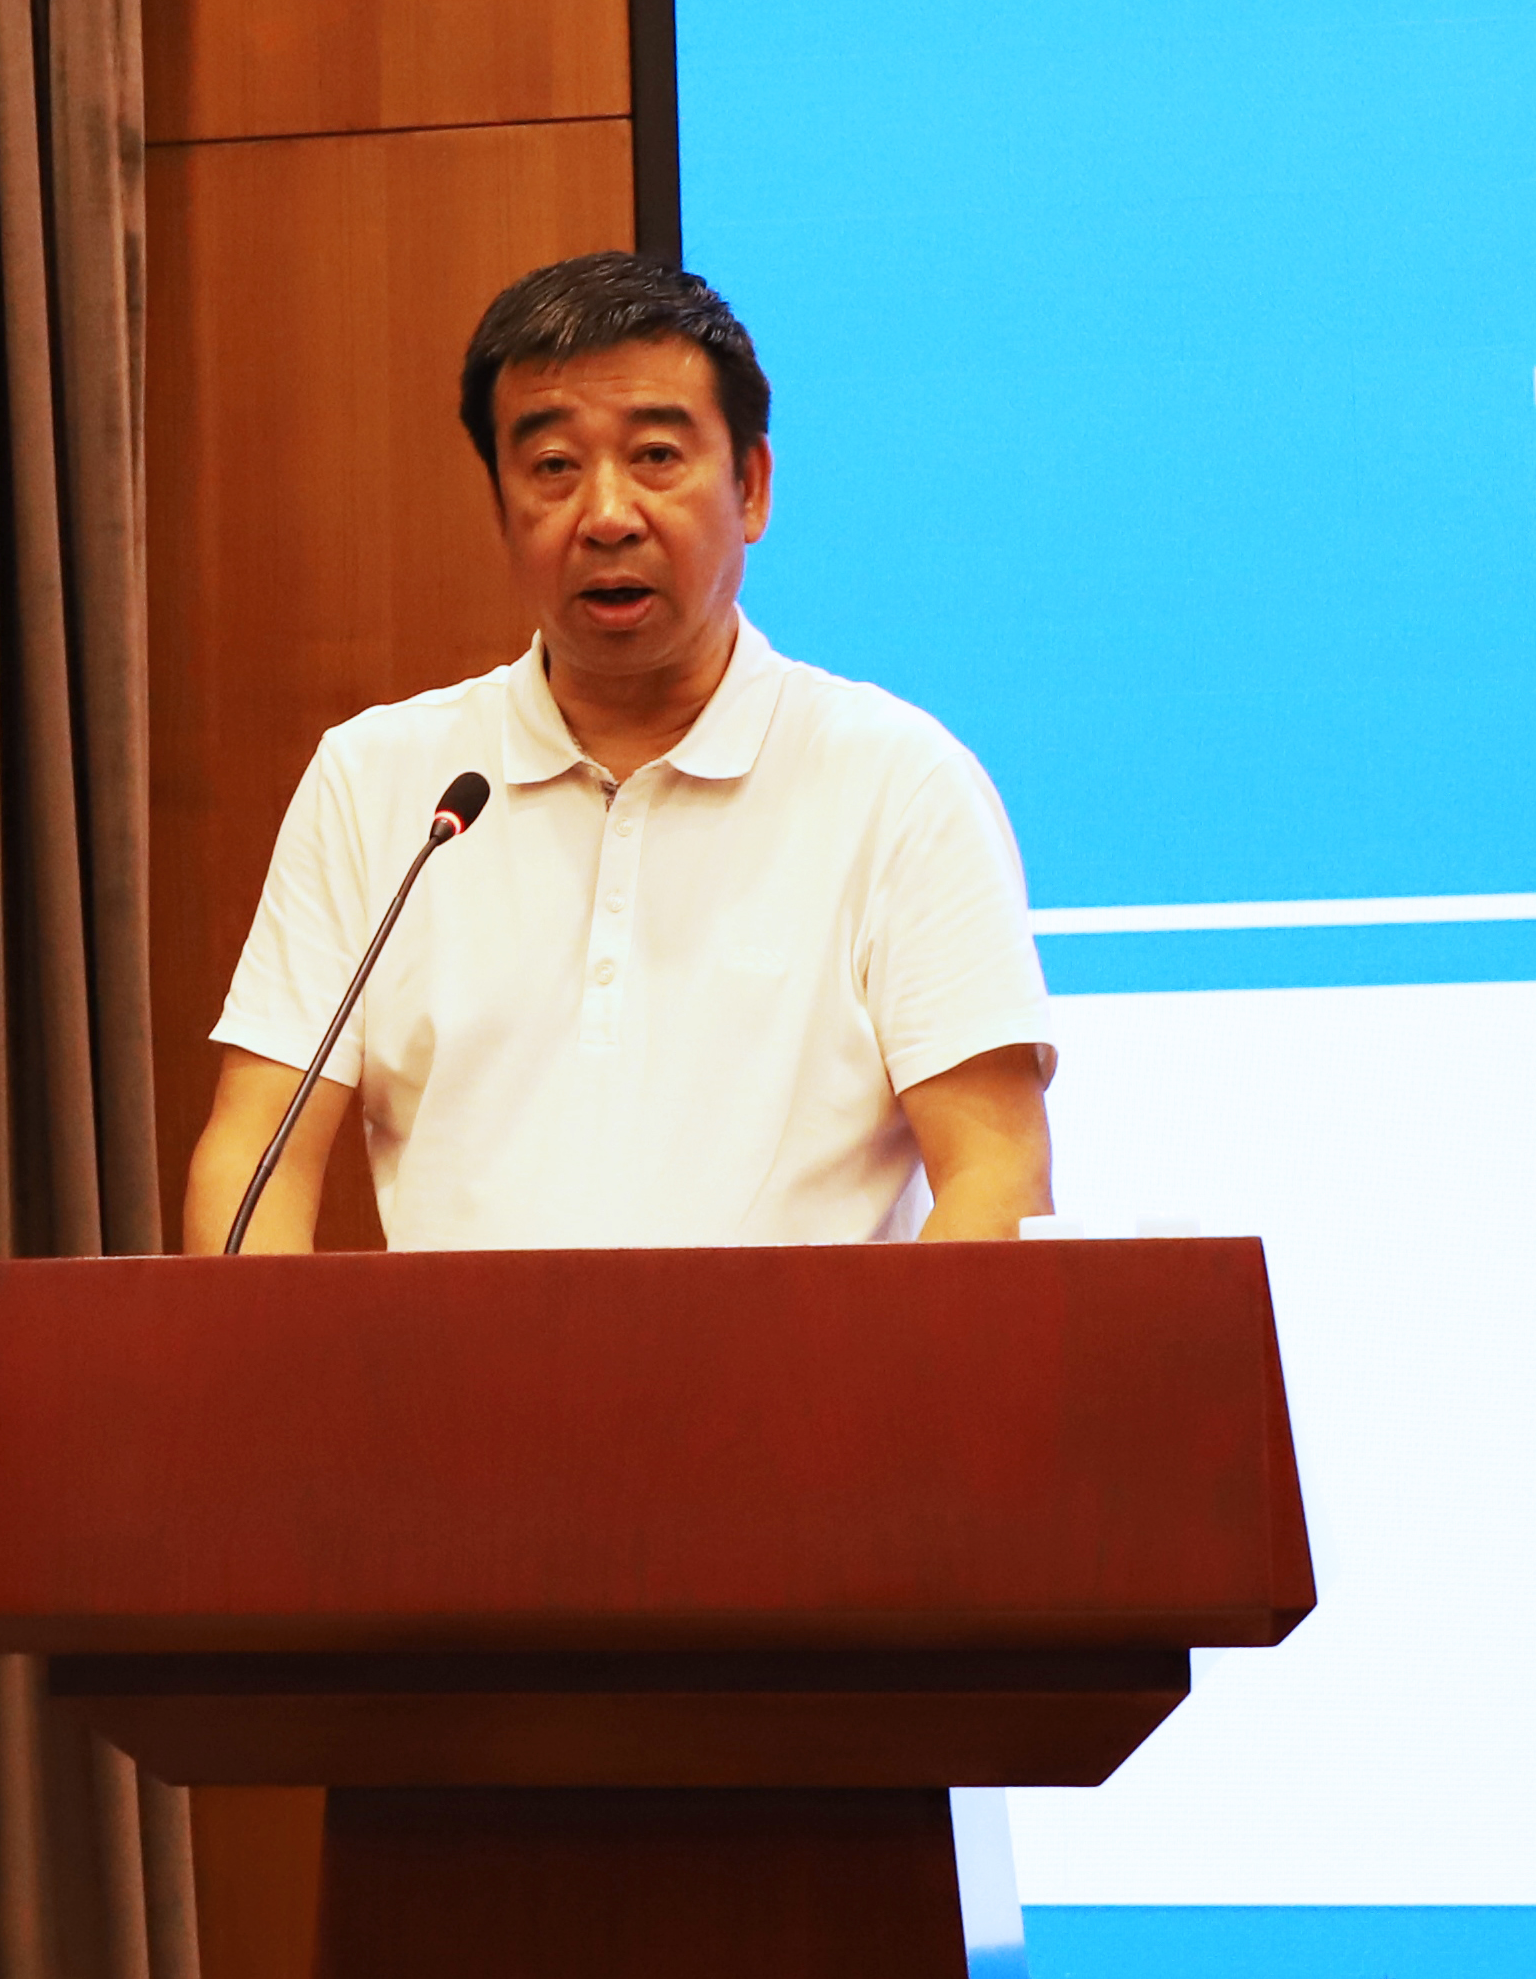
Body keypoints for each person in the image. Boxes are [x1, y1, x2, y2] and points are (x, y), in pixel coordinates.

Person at [182, 252, 1057, 1254]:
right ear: (500, 504)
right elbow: (255, 1157)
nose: (605, 515)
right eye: (554, 466)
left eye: (656, 456)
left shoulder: (898, 782)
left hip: (811, 1365)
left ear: (752, 487)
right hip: (450, 1366)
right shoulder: (380, 782)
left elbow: (996, 1173)